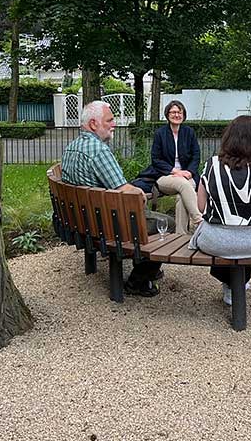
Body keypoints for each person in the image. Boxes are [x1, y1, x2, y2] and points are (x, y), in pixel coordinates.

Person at [61, 100, 172, 297]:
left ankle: (146, 267)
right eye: (109, 120)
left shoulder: (72, 147)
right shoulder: (98, 150)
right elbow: (124, 190)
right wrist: (140, 193)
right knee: (166, 223)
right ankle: (138, 280)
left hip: (83, 221)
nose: (114, 124)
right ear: (94, 124)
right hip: (106, 226)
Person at [189, 115, 251, 306]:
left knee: (221, 237)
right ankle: (239, 283)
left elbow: (200, 207)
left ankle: (229, 284)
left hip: (215, 242)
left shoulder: (211, 165)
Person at [136, 100, 202, 233]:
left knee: (182, 195)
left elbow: (196, 156)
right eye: (173, 112)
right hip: (165, 175)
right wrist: (174, 171)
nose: (176, 115)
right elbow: (156, 159)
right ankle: (198, 220)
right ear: (167, 114)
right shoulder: (161, 133)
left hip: (188, 175)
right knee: (184, 185)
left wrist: (189, 172)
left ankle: (181, 235)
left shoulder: (189, 132)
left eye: (179, 112)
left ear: (183, 114)